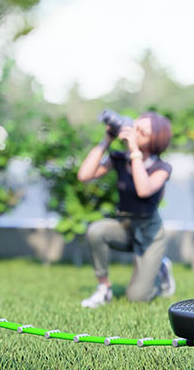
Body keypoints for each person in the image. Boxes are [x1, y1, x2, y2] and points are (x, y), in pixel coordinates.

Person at [75, 112, 176, 308]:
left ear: (155, 140)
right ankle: (104, 288)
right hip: (126, 226)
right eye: (134, 127)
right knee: (96, 231)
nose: (134, 133)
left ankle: (160, 268)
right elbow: (84, 175)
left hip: (150, 233)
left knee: (137, 298)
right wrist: (106, 141)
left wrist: (134, 151)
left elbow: (144, 189)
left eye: (142, 132)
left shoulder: (162, 167)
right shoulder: (120, 159)